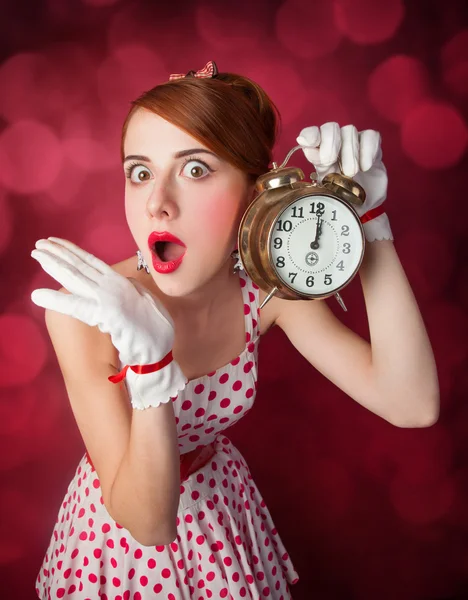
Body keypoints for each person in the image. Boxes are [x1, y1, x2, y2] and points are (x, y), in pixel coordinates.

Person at [31, 60, 439, 599]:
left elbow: (411, 404)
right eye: (140, 171)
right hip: (121, 539)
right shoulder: (85, 313)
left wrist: (371, 223)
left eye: (196, 169)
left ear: (254, 192)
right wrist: (151, 366)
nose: (157, 202)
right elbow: (148, 524)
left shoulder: (264, 290)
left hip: (223, 518)